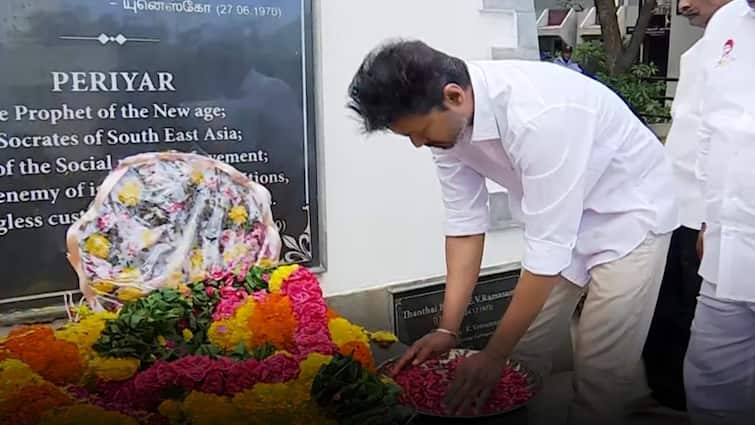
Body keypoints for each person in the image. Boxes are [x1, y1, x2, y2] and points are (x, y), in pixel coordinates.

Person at [347, 40, 677, 425]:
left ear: (453, 96)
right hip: (562, 217)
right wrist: (446, 329)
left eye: (419, 132)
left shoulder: (540, 115)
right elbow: (465, 224)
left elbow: (547, 250)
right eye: (409, 137)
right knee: (523, 351)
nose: (420, 144)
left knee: (600, 366)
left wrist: (493, 354)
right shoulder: (446, 124)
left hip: (630, 215)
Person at [641, 0, 730, 412]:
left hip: (713, 216)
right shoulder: (697, 53)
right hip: (673, 208)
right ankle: (669, 397)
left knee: (702, 322)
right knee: (666, 310)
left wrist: (716, 218)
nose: (683, 6)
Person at [683, 1, 755, 424]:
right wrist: (709, 217)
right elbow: (710, 128)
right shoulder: (728, 21)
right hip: (729, 243)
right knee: (710, 383)